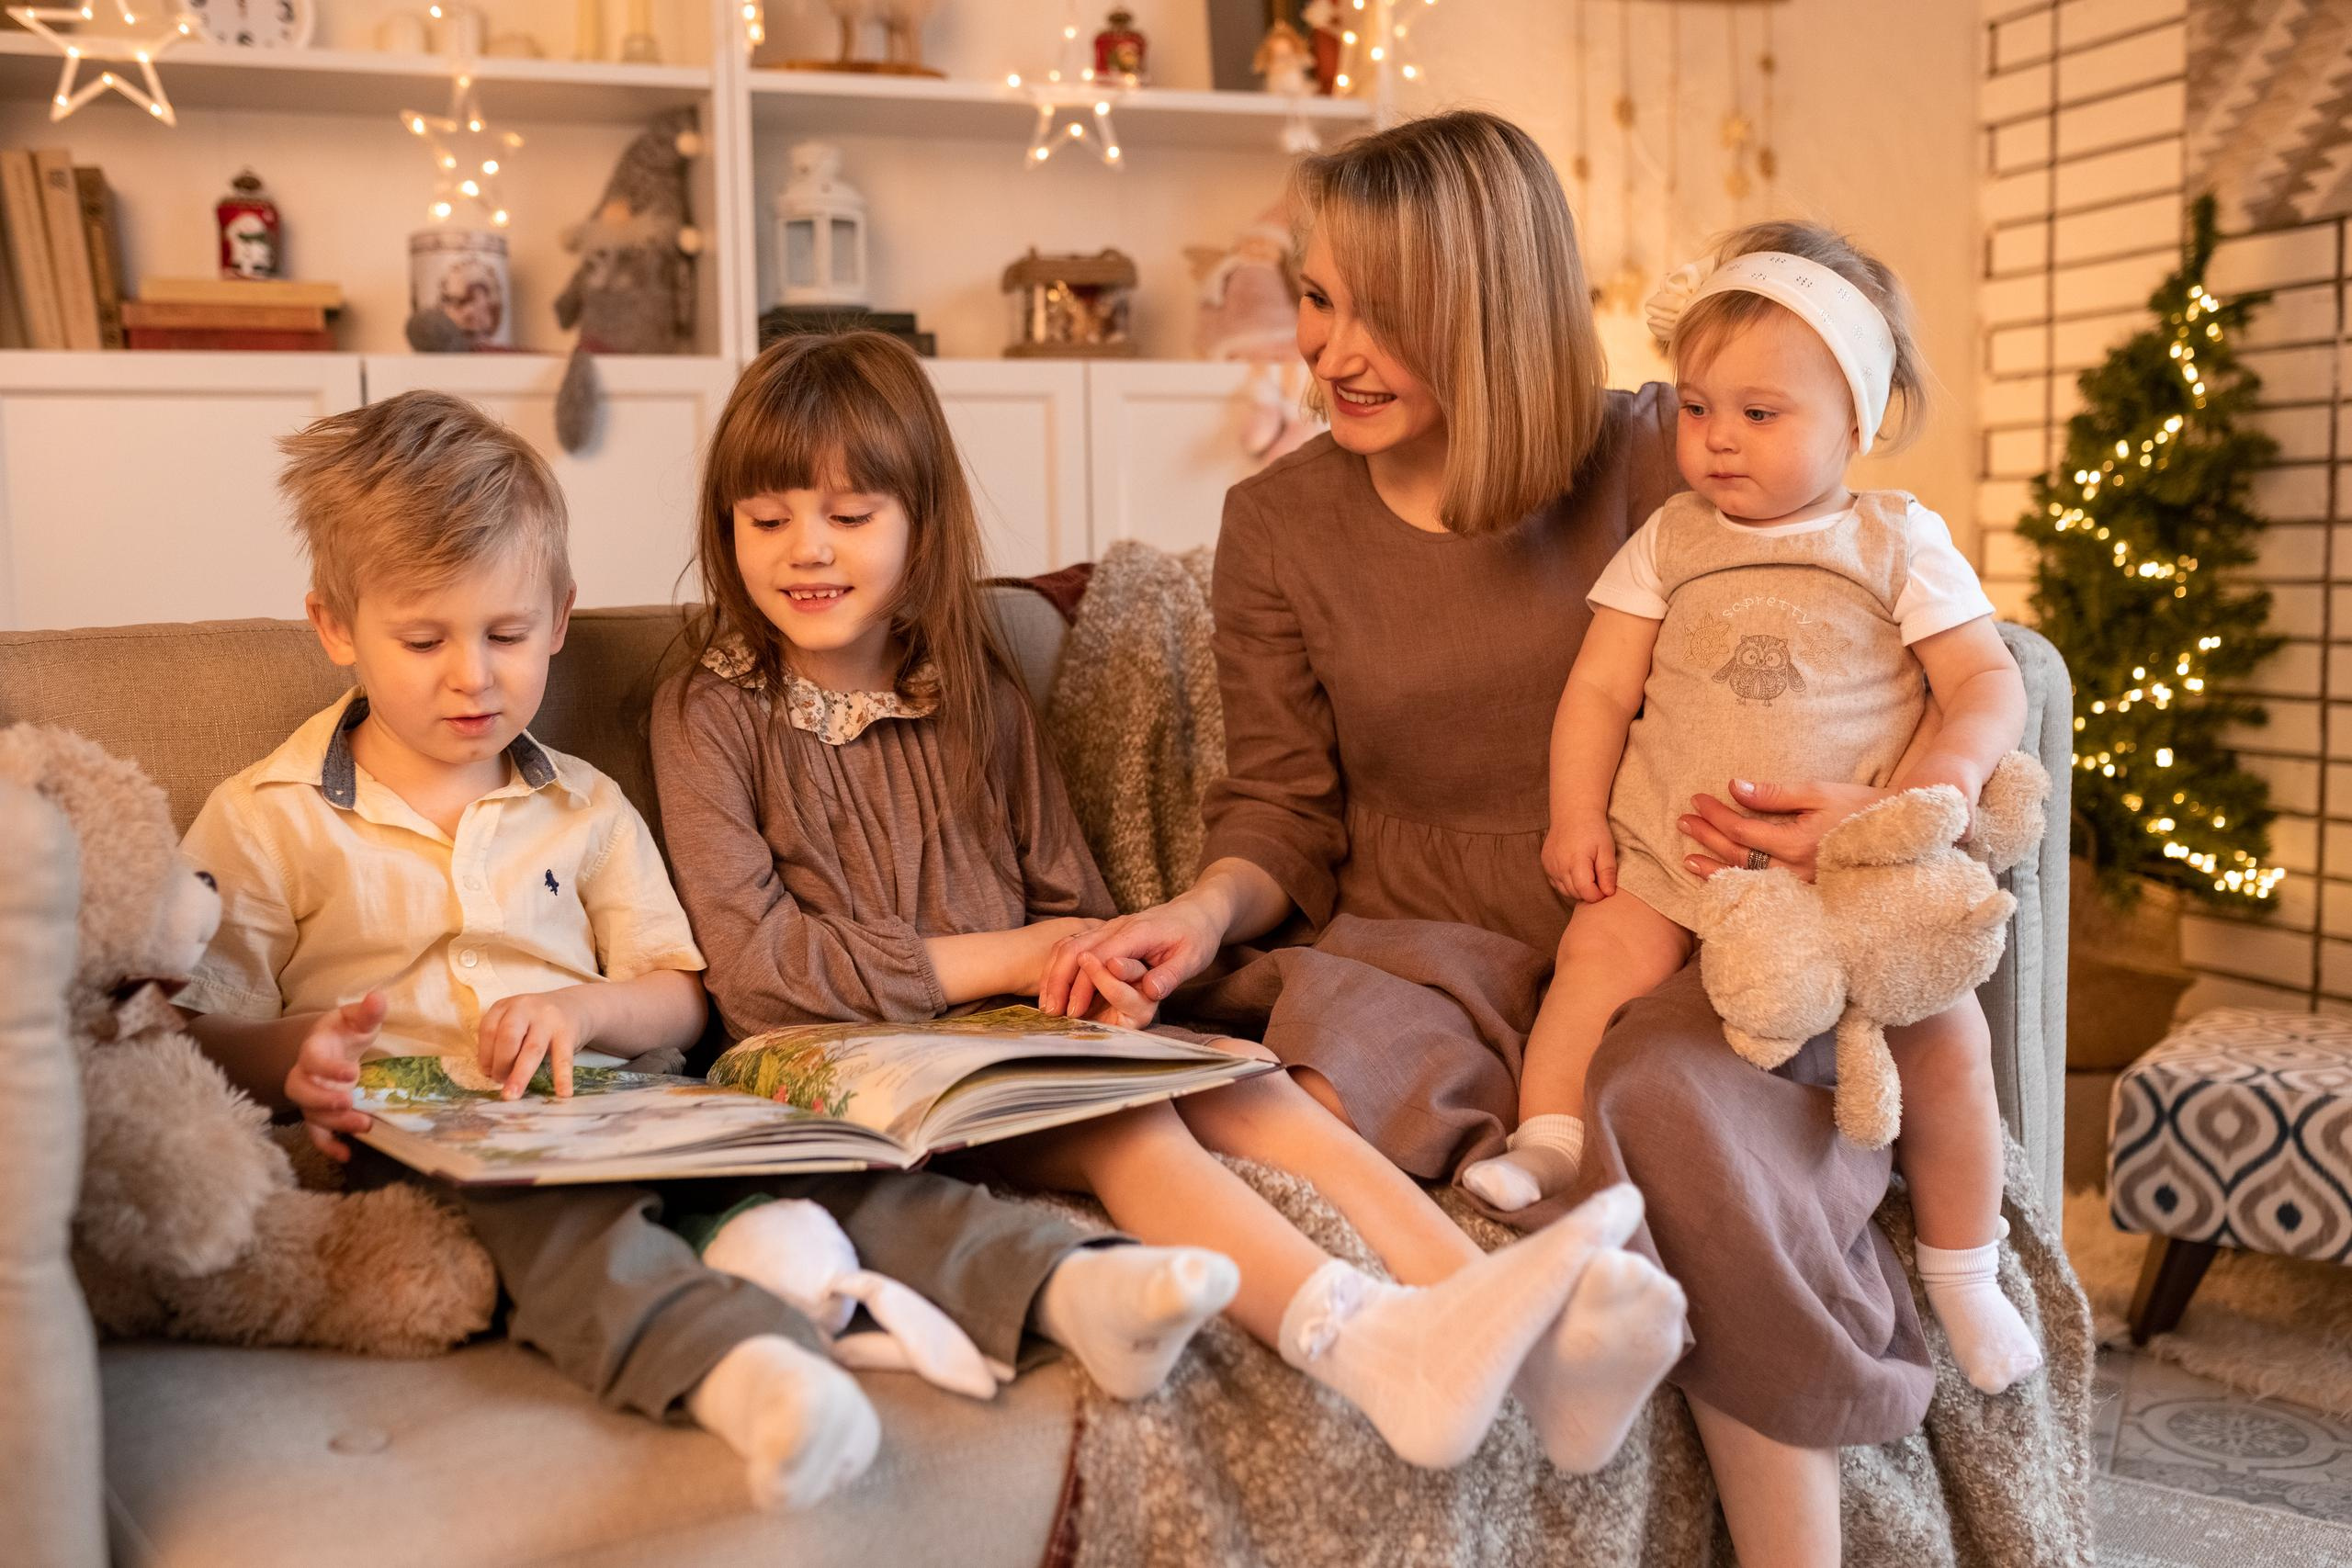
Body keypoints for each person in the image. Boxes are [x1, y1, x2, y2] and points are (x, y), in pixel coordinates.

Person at [1039, 111, 1942, 1565]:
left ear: (1498, 302)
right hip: (1415, 929)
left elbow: (1871, 622)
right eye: (1319, 298)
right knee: (1286, 1073)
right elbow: (1278, 804)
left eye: (1380, 312)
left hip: (1673, 902)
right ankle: (1473, 1333)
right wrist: (1204, 912)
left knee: (1687, 1114)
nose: (1328, 349)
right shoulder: (1276, 521)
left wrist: (1873, 801)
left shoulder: (1668, 449)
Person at [649, 331, 1685, 1473]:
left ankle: (1510, 1315)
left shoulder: (973, 691)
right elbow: (750, 965)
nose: (808, 551)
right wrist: (1007, 963)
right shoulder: (712, 708)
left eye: (849, 518)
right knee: (1127, 1118)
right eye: (768, 520)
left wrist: (1099, 972)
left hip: (999, 1042)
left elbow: (1067, 898)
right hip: (814, 1066)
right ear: (727, 527)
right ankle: (1370, 1343)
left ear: (920, 526)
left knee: (1250, 1082)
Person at [176, 390, 1227, 1513]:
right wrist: (296, 1053)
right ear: (335, 628)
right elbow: (184, 1035)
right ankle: (743, 1372)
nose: (472, 677)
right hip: (426, 1143)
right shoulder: (267, 817)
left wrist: (584, 1016)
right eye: (424, 640)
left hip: (618, 1101)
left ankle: (1072, 1290)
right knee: (568, 1235)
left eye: (507, 635)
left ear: (562, 616)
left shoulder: (583, 805)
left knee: (842, 1167)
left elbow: (683, 997)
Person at [1456, 221, 2042, 1399]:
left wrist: (1934, 791)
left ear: (1856, 425)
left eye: (1759, 414)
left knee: (1947, 1036)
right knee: (1596, 957)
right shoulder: (1670, 542)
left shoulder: (1895, 541)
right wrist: (1575, 816)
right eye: (1695, 408)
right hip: (1679, 852)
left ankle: (1963, 1266)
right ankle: (1550, 1142)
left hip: (1849, 870)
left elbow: (1986, 682)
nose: (1717, 439)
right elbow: (1600, 687)